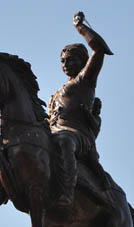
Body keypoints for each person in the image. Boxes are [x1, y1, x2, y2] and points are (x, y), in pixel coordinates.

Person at [48, 12, 112, 207]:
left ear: (83, 61)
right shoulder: (57, 93)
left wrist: (81, 28)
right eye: (63, 61)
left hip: (78, 137)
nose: (66, 64)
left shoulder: (85, 81)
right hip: (54, 132)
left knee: (64, 140)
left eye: (71, 60)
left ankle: (66, 193)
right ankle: (3, 189)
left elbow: (99, 50)